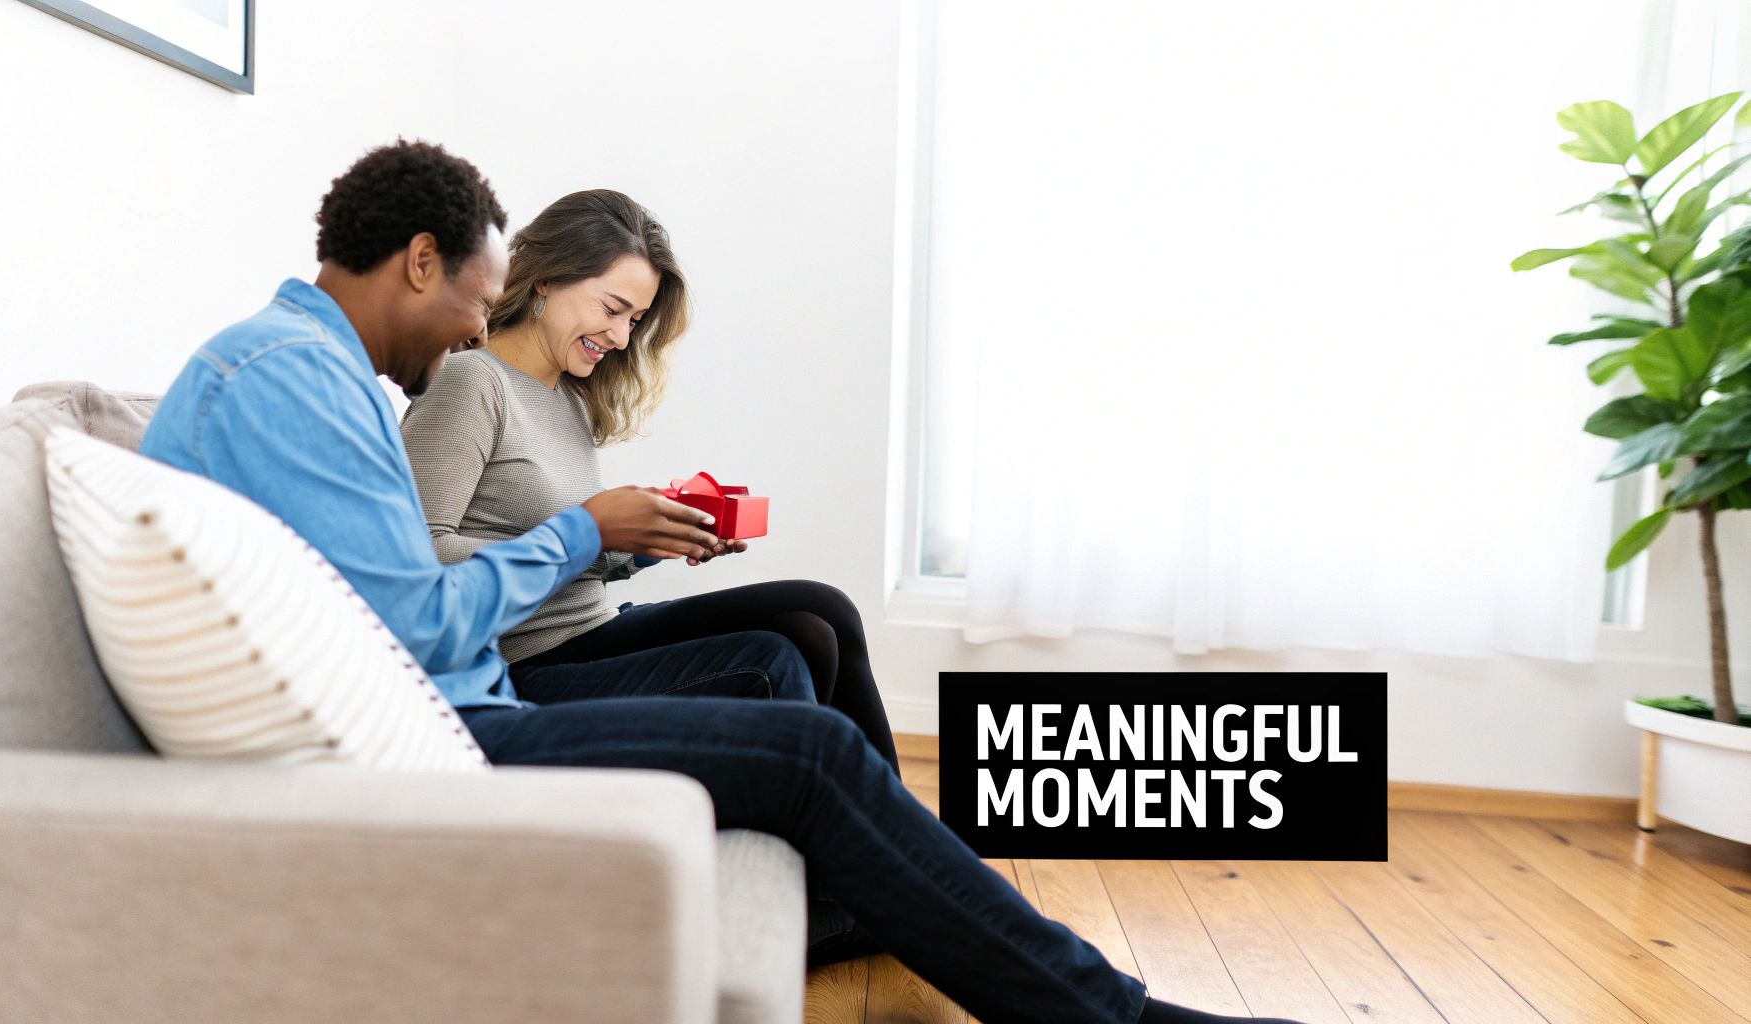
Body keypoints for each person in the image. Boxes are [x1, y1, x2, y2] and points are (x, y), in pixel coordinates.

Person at [138, 139, 1307, 1024]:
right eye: (470, 299)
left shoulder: (308, 370)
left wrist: (623, 538)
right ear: (421, 261)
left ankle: (947, 910)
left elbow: (390, 603)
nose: (468, 330)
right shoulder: (293, 379)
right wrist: (581, 534)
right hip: (442, 729)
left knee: (808, 670)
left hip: (446, 701)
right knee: (806, 730)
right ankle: (1107, 1009)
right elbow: (411, 612)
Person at [398, 189, 900, 777]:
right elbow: (417, 554)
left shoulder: (568, 398)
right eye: (611, 308)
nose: (621, 337)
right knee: (773, 655)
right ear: (545, 281)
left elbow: (575, 552)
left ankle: (886, 816)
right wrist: (587, 531)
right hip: (518, 662)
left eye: (635, 320)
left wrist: (650, 540)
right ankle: (858, 826)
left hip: (587, 627)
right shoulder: (472, 383)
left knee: (820, 612)